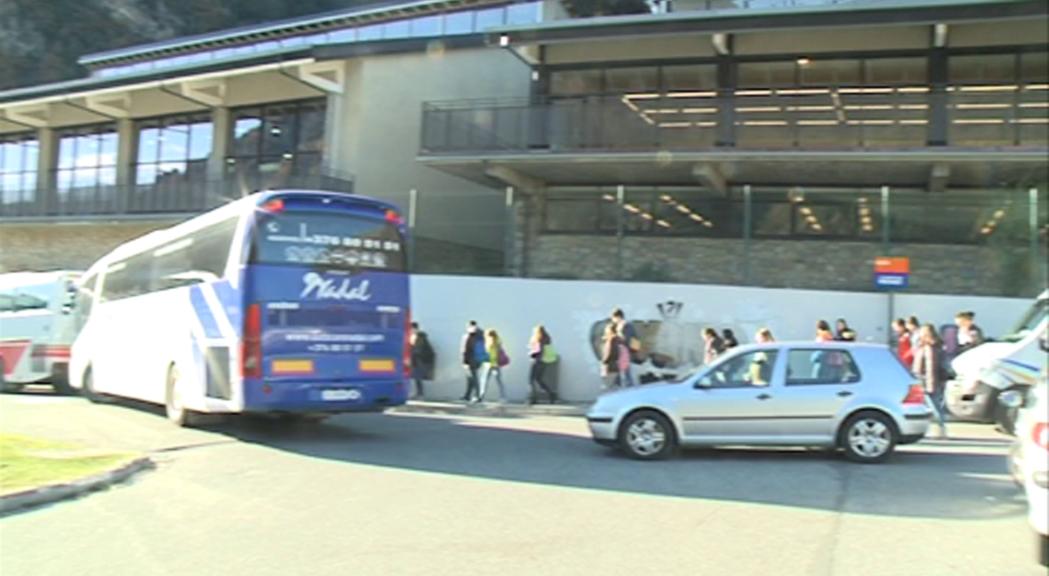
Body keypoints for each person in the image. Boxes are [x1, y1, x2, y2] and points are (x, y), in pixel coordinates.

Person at [913, 323, 949, 438]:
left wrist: (930, 384)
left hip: (928, 381)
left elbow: (931, 367)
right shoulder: (925, 346)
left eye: (922, 332)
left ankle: (941, 429)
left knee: (934, 406)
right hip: (924, 380)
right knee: (929, 406)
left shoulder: (930, 348)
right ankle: (935, 429)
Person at [611, 309, 640, 387]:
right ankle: (619, 387)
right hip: (619, 354)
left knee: (626, 375)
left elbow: (633, 340)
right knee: (622, 375)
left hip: (624, 353)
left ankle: (627, 390)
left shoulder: (627, 327)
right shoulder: (614, 326)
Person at [528, 325, 556, 404]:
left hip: (537, 361)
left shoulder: (538, 339)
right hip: (544, 362)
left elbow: (537, 352)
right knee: (539, 380)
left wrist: (531, 354)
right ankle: (551, 394)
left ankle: (533, 399)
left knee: (531, 380)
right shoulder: (547, 339)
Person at [478, 329, 508, 403]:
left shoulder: (490, 342)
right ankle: (503, 397)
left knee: (484, 381)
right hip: (494, 364)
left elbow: (489, 353)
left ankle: (481, 396)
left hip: (490, 364)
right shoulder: (498, 341)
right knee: (498, 381)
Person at [460, 321, 485, 403]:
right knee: (469, 378)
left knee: (473, 378)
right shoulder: (477, 335)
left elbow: (466, 349)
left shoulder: (476, 336)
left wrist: (465, 360)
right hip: (471, 359)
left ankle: (477, 396)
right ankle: (467, 395)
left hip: (472, 359)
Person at [409, 322, 435, 400]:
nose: (412, 330)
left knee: (418, 377)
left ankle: (420, 394)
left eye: (413, 329)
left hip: (419, 360)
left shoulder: (421, 337)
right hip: (414, 360)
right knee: (415, 377)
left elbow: (419, 349)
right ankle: (417, 393)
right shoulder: (411, 337)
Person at [600, 323, 624, 391]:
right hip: (615, 366)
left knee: (607, 389)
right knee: (616, 388)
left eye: (607, 331)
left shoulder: (611, 341)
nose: (606, 332)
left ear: (611, 331)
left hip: (610, 367)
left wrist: (604, 363)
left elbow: (608, 354)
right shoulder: (617, 340)